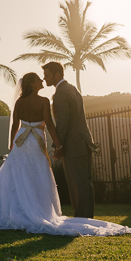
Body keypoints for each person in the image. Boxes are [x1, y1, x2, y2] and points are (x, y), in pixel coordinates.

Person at [0, 72, 131, 236]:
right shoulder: (43, 101)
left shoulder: (20, 102)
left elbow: (15, 125)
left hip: (21, 142)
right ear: (32, 84)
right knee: (38, 175)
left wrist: (11, 144)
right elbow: (49, 124)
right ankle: (39, 210)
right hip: (36, 142)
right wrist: (59, 145)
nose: (42, 80)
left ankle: (18, 210)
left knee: (20, 175)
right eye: (38, 79)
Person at [43, 61, 97, 218]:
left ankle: (82, 218)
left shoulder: (61, 93)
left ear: (57, 75)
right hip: (84, 142)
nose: (44, 78)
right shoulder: (72, 89)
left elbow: (63, 123)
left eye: (47, 75)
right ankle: (87, 217)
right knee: (85, 183)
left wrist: (58, 146)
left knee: (77, 184)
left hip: (74, 145)